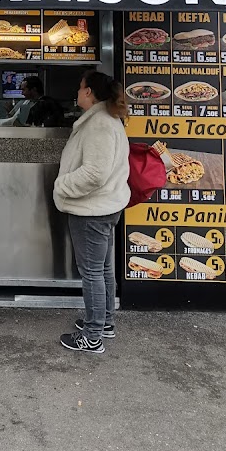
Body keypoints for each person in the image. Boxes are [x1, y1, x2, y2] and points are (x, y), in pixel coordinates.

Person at [53, 70, 131, 355]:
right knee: (103, 270)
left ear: (89, 92)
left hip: (92, 210)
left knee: (93, 273)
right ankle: (104, 322)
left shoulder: (98, 123)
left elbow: (95, 174)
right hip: (106, 206)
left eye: (80, 87)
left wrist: (63, 185)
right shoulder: (108, 119)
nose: (77, 91)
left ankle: (93, 335)